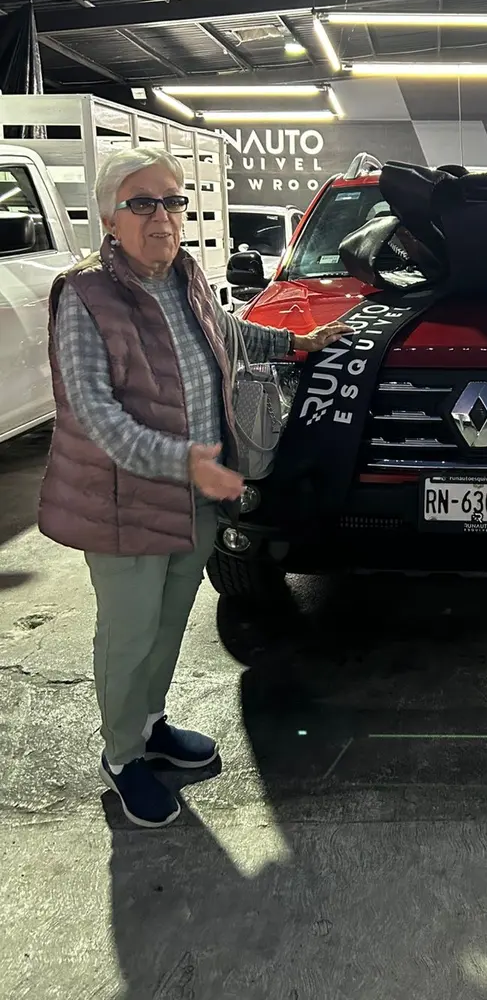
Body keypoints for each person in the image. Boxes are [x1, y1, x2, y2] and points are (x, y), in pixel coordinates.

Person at [38, 147, 349, 828]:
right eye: (142, 203)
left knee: (168, 624)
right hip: (125, 504)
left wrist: (297, 342)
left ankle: (149, 725)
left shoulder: (186, 277)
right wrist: (189, 463)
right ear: (109, 217)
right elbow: (97, 418)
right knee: (128, 635)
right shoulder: (86, 297)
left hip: (194, 500)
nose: (163, 218)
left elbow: (228, 334)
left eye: (172, 202)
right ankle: (122, 757)